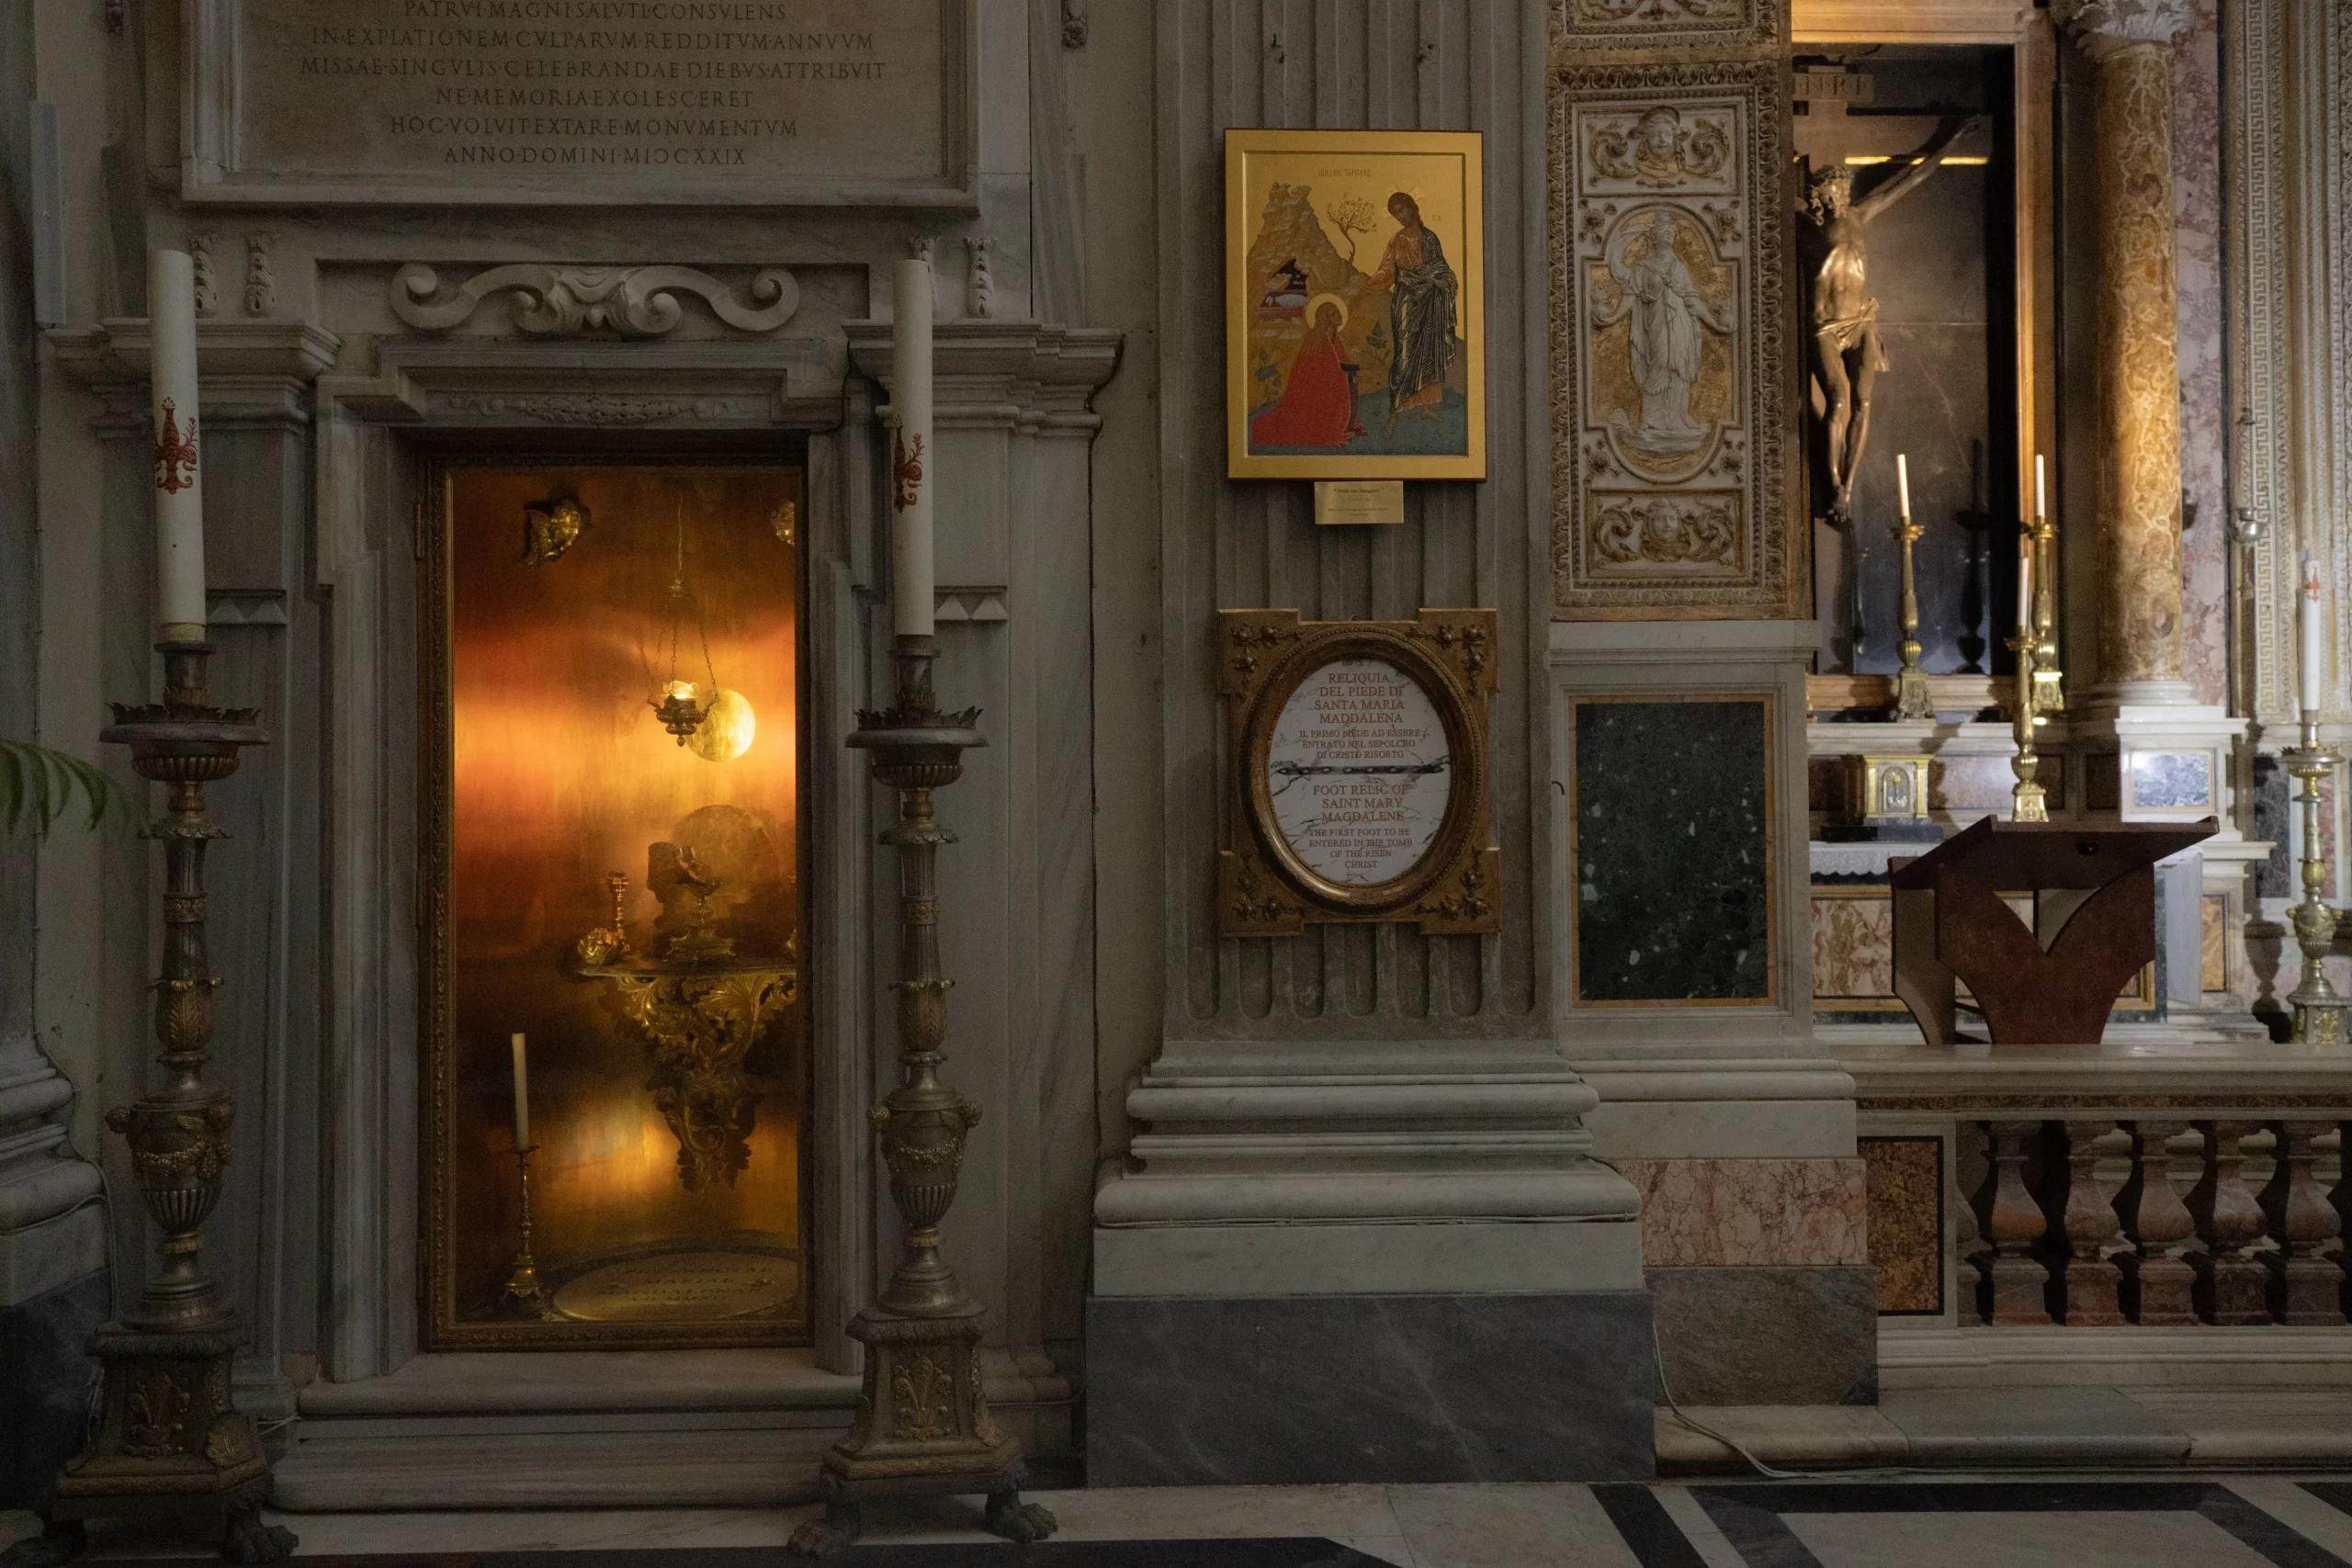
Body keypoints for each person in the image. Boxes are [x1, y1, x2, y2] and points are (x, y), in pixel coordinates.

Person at [1800, 115, 1979, 522]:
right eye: (1828, 193)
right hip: (1827, 328)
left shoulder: (1860, 216)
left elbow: (1908, 182)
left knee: (1863, 402)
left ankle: (1847, 483)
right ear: (1819, 197)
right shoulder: (1806, 227)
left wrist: (1948, 142)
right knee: (1839, 400)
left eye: (1839, 190)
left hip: (1861, 321)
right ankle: (1832, 483)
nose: (1835, 197)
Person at [1603, 209, 1725, 454]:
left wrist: (1716, 323)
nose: (1668, 234)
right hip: (1657, 326)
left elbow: (1692, 300)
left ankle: (1678, 418)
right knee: (1659, 365)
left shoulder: (1679, 268)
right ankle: (1650, 420)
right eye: (1664, 231)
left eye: (1670, 231)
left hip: (1680, 325)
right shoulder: (1643, 268)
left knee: (1679, 368)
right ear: (1654, 238)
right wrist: (1610, 317)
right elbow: (1629, 298)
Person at [1363, 192, 1458, 435]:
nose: (1399, 217)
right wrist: (1376, 281)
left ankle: (1425, 407)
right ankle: (1394, 413)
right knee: (1404, 355)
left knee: (1428, 352)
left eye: (1401, 210)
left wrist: (1440, 280)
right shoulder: (1397, 239)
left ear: (1412, 208)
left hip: (1429, 300)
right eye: (1394, 213)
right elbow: (1387, 268)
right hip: (1406, 298)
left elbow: (1441, 268)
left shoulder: (1430, 238)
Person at [1250, 299, 1357, 448]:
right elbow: (1311, 368)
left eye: (1338, 312)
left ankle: (1339, 426)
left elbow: (1341, 359)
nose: (1339, 315)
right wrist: (1336, 374)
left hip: (1328, 385)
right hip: (1311, 390)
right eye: (1334, 313)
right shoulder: (1316, 339)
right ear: (1325, 319)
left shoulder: (1335, 340)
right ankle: (1327, 432)